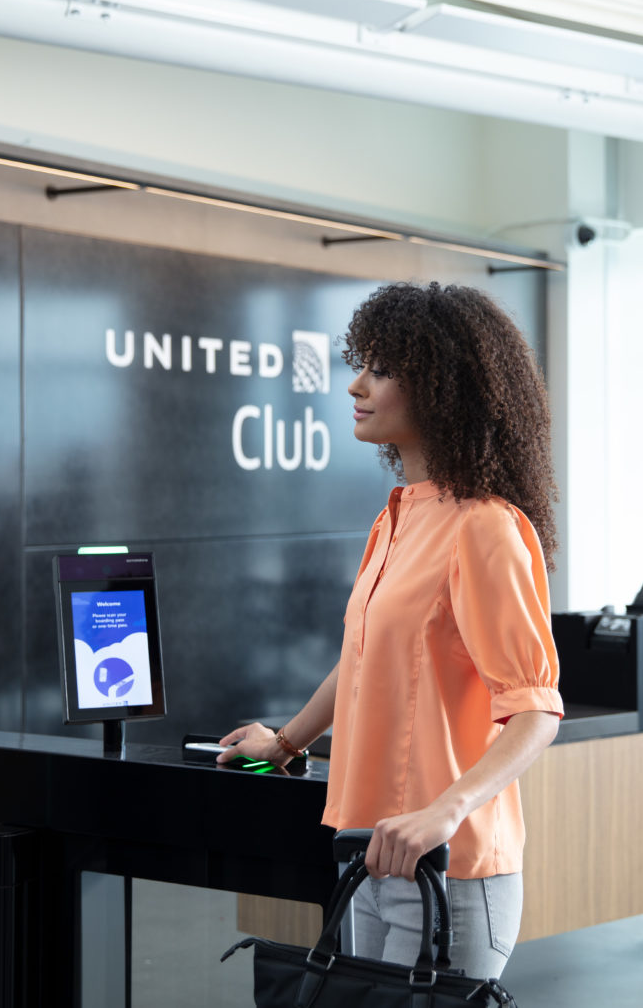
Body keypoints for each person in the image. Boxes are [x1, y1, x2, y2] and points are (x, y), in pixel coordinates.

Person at [218, 281, 564, 979]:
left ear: (443, 386)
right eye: (361, 365)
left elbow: (537, 711)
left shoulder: (485, 526)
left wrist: (445, 811)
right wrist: (286, 740)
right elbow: (365, 660)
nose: (355, 384)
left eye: (381, 369)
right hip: (365, 853)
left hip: (448, 868)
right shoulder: (399, 515)